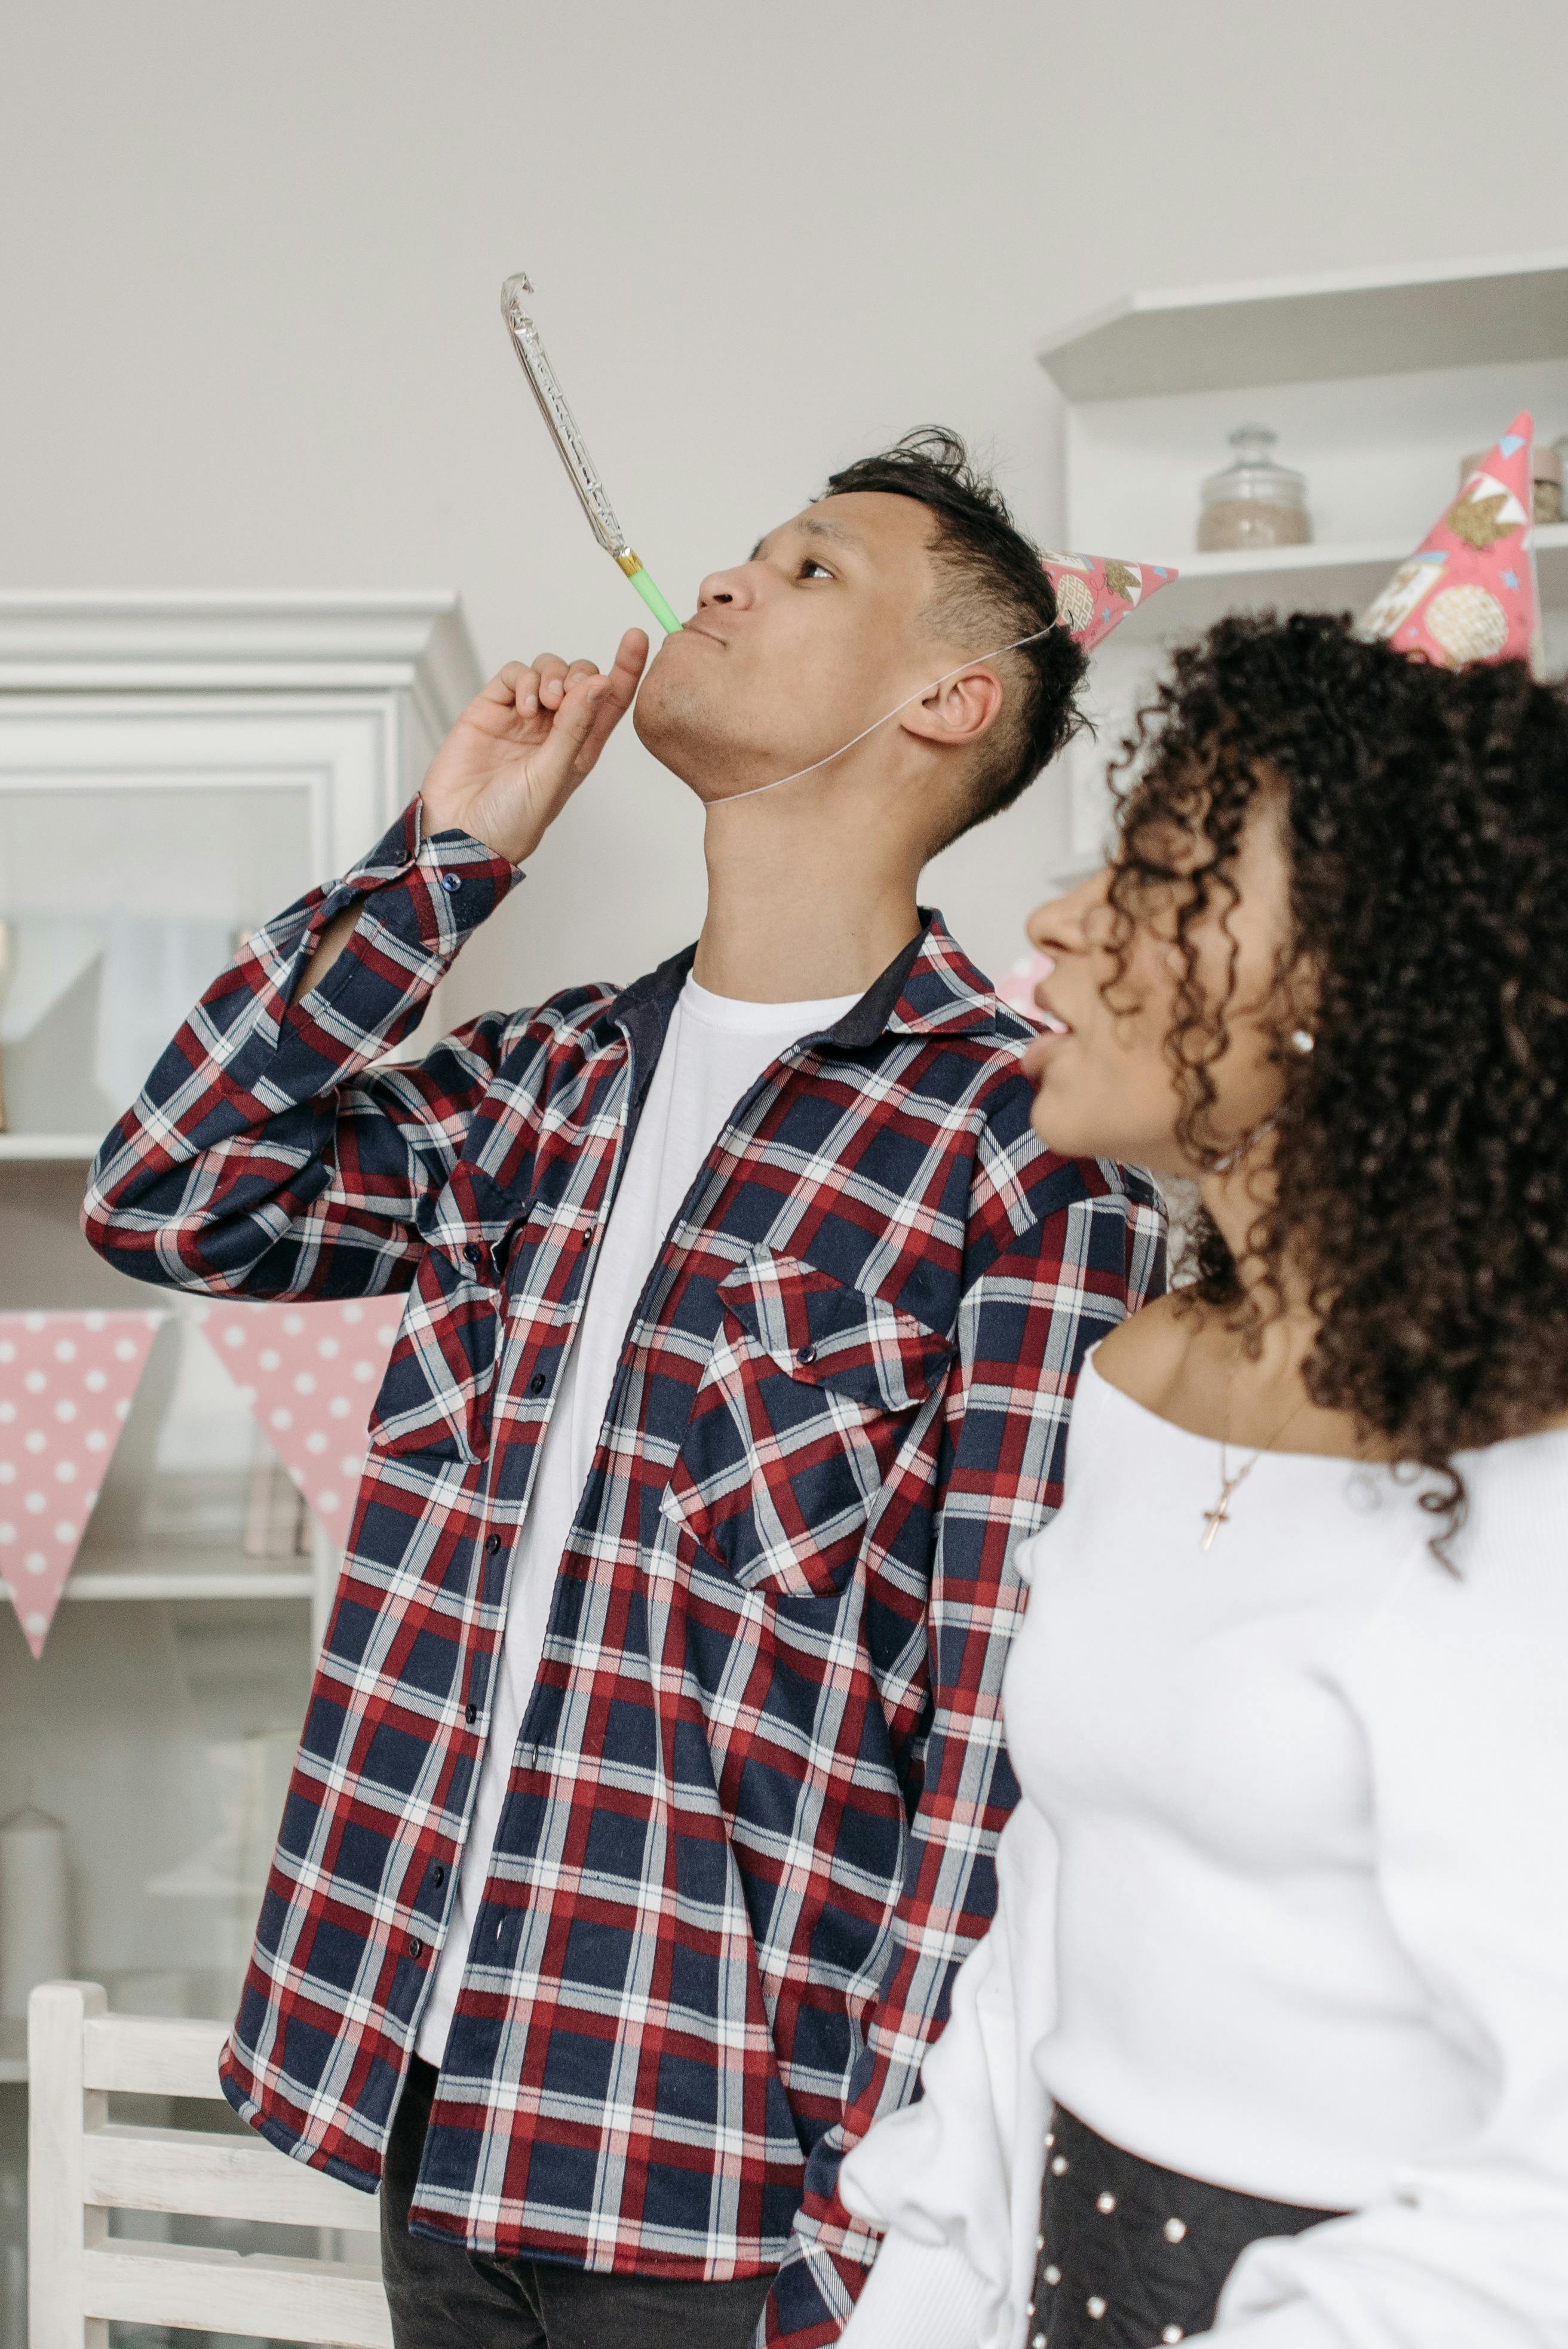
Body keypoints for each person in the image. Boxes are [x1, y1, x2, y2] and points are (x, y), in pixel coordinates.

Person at [83, 429, 1166, 2349]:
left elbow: (999, 1744)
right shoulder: (538, 1085)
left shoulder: (1029, 1153)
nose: (728, 581)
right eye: (742, 551)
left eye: (812, 568)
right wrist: (451, 852)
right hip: (422, 2095)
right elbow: (170, 1192)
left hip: (727, 2183)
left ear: (950, 698)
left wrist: (871, 2228)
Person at [834, 610, 1568, 2349]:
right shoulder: (1141, 1379)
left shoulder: (1526, 1476)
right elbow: (1050, 1926)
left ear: (1356, 975)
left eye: (1158, 869)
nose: (1059, 918)